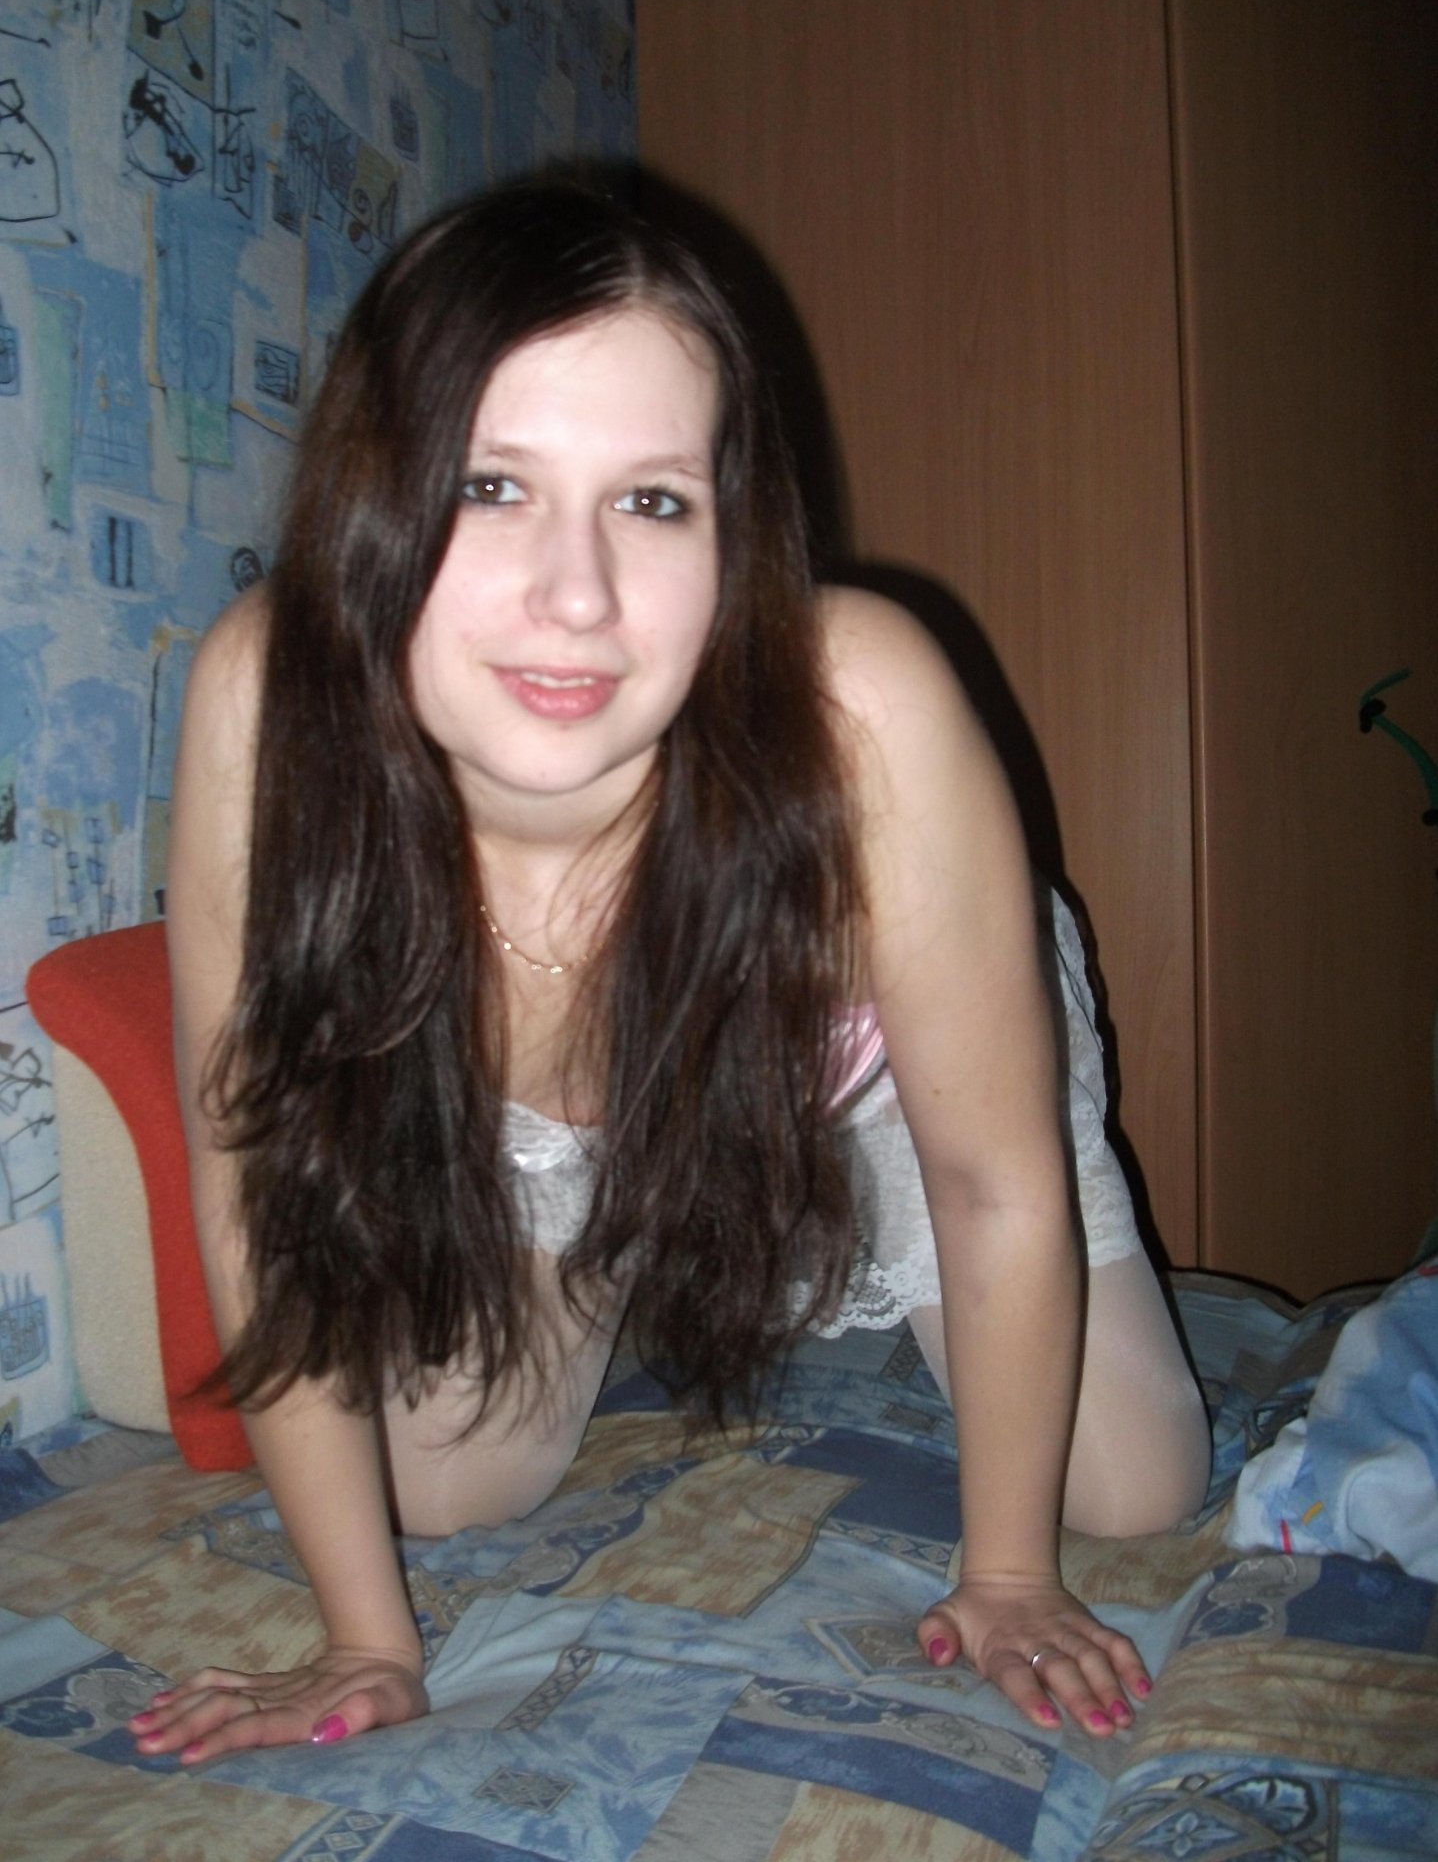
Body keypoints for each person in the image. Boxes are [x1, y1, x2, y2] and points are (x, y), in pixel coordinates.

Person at [129, 175, 1211, 1766]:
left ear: (732, 533)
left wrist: (1004, 1579)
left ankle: (743, 1223)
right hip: (571, 1099)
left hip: (870, 1056)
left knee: (1131, 1486)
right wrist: (365, 1641)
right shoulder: (265, 694)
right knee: (435, 1493)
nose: (576, 594)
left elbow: (993, 1179)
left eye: (652, 503)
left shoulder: (864, 709)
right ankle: (655, 1237)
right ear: (376, 495)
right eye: (491, 485)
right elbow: (250, 1184)